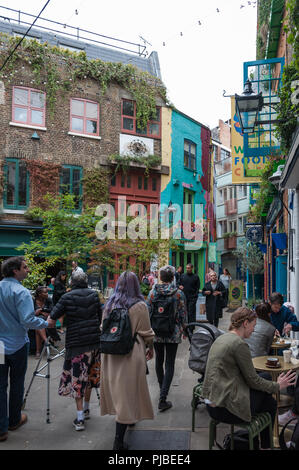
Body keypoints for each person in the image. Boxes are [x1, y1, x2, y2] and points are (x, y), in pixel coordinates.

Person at [202, 307, 297, 449]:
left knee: (265, 376)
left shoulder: (223, 338)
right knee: (270, 403)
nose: (254, 330)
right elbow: (253, 381)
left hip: (212, 402)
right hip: (225, 409)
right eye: (253, 326)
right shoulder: (239, 344)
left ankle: (261, 442)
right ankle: (265, 445)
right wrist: (278, 386)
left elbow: (247, 377)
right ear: (245, 323)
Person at [100, 271, 155, 450]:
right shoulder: (140, 305)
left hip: (110, 354)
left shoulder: (109, 304)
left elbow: (103, 327)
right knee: (128, 392)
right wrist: (151, 348)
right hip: (130, 354)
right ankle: (118, 441)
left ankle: (128, 418)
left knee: (119, 390)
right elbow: (147, 332)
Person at [0, 256, 49, 442]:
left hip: (0, 344)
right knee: (17, 382)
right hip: (18, 344)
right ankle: (13, 420)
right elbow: (27, 321)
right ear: (15, 270)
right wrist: (46, 322)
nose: (28, 270)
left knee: (0, 384)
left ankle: (1, 428)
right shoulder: (21, 292)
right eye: (25, 267)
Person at [48, 271, 102, 432]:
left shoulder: (67, 297)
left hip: (77, 344)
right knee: (91, 376)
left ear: (72, 282)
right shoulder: (94, 295)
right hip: (94, 343)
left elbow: (51, 319)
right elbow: (100, 317)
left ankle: (79, 419)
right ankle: (86, 409)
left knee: (78, 379)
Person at [146, 265, 187, 412]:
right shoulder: (178, 294)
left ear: (161, 277)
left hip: (156, 332)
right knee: (170, 363)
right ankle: (163, 397)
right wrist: (184, 329)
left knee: (158, 360)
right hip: (172, 332)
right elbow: (182, 313)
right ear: (172, 278)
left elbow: (148, 312)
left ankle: (162, 388)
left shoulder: (152, 293)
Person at [33, 286, 57, 359]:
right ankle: (46, 340)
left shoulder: (48, 299)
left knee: (38, 326)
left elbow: (52, 310)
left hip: (46, 319)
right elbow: (30, 312)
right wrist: (37, 313)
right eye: (45, 292)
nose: (47, 294)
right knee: (39, 323)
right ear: (39, 294)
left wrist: (42, 310)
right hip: (35, 320)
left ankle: (38, 351)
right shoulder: (33, 301)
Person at [179, 264, 200, 329]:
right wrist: (179, 286)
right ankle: (185, 327)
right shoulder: (182, 276)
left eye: (188, 268)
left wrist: (195, 297)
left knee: (191, 312)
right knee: (184, 312)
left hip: (192, 298)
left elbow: (197, 287)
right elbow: (178, 284)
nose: (187, 269)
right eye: (186, 268)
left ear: (192, 268)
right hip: (184, 297)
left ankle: (191, 327)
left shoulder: (196, 277)